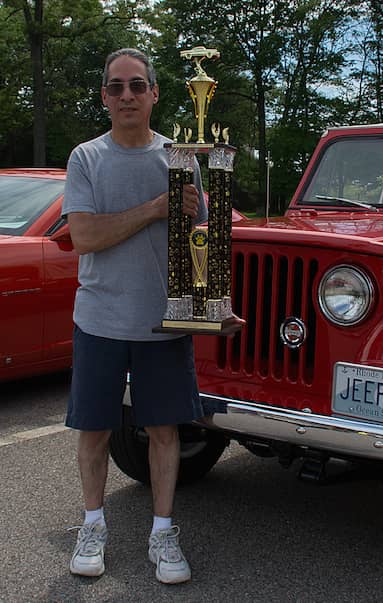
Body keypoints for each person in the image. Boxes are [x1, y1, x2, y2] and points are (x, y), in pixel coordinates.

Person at [62, 48, 207, 584]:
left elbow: (201, 243)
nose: (127, 95)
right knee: (94, 430)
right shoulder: (86, 159)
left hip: (161, 322)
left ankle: (163, 534)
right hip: (99, 320)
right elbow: (85, 236)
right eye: (117, 87)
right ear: (105, 96)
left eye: (137, 86)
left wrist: (212, 303)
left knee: (164, 430)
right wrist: (153, 208)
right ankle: (93, 525)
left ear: (155, 94)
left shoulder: (181, 156)